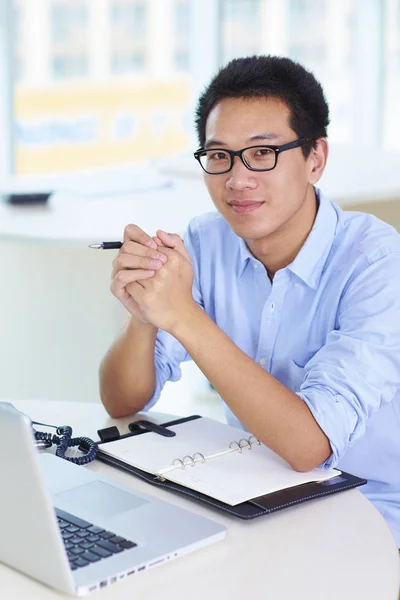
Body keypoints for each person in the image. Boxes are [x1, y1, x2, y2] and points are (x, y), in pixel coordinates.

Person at [99, 55, 400, 545]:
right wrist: (144, 317)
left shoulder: (377, 263)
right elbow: (122, 401)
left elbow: (310, 447)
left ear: (315, 158)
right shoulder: (206, 240)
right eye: (219, 156)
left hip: (375, 513)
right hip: (257, 498)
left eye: (262, 153)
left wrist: (184, 316)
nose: (237, 180)